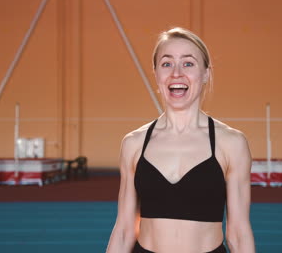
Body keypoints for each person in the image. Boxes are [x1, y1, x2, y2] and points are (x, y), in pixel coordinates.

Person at [106, 27, 255, 253]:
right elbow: (125, 230)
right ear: (156, 73)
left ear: (205, 73)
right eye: (166, 64)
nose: (176, 73)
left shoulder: (231, 143)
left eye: (188, 63)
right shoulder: (134, 144)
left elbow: (238, 233)